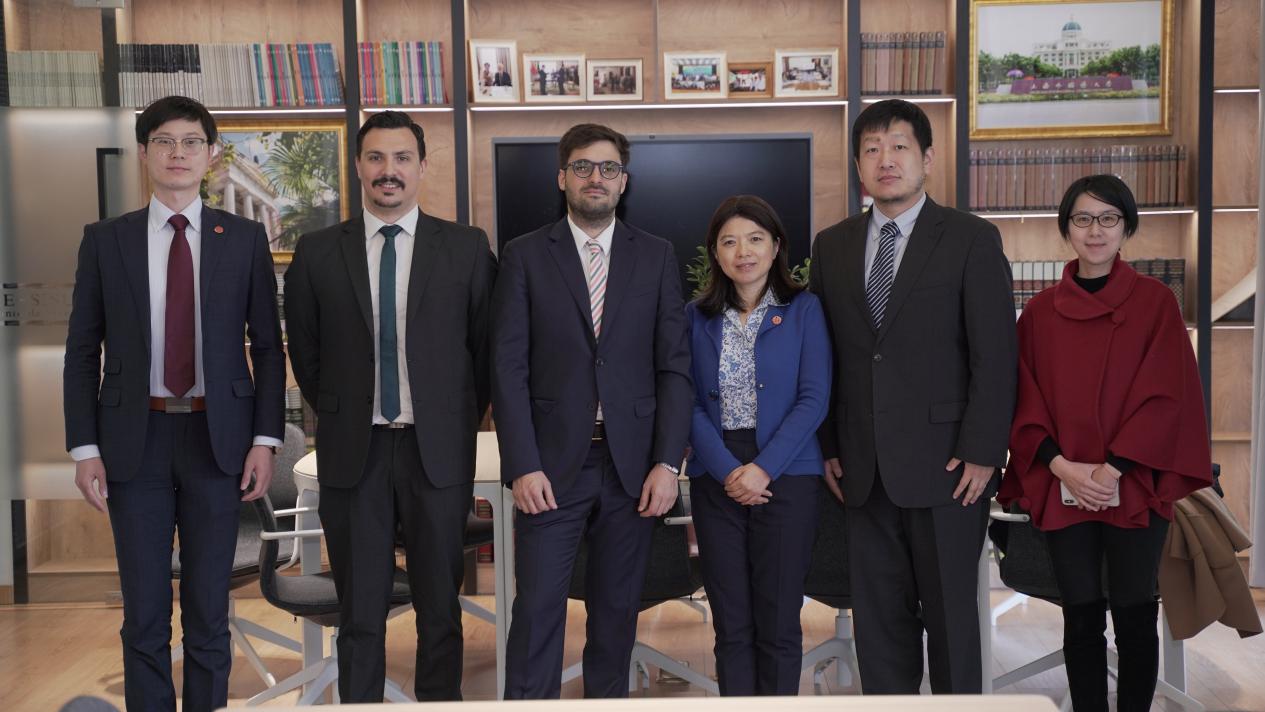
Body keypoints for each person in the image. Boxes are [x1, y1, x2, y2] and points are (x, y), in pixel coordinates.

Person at [63, 95, 285, 711]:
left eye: (191, 142)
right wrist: (84, 448)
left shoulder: (243, 239)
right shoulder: (105, 240)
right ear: (144, 153)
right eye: (164, 141)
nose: (178, 153)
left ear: (210, 155)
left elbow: (268, 348)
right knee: (144, 613)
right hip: (135, 443)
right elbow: (81, 351)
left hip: (220, 439)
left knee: (209, 611)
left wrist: (265, 439)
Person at [284, 110, 496, 702]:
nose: (389, 170)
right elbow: (306, 352)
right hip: (355, 452)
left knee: (440, 607)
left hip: (437, 453)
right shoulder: (318, 252)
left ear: (422, 167)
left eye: (402, 158)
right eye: (376, 157)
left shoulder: (467, 248)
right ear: (358, 166)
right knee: (360, 612)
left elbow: (484, 353)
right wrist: (347, 412)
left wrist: (453, 418)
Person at [810, 98, 1017, 694]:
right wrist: (829, 443)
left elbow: (996, 355)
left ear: (926, 158)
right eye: (871, 149)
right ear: (858, 165)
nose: (886, 160)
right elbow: (826, 356)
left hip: (950, 466)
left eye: (899, 146)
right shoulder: (832, 245)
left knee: (953, 622)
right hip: (863, 466)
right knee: (879, 627)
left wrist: (984, 451)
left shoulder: (971, 238)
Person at [492, 122, 692, 699]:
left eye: (608, 168)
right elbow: (508, 369)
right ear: (563, 178)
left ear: (623, 181)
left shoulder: (655, 255)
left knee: (616, 616)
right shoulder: (525, 255)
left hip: (633, 470)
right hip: (551, 469)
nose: (595, 177)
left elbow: (674, 368)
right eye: (582, 167)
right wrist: (522, 465)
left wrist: (667, 464)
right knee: (537, 614)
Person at [999, 174, 1212, 712]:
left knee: (1136, 612)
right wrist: (1063, 467)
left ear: (1126, 227)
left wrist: (1113, 468)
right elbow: (1023, 398)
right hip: (1063, 480)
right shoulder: (1039, 312)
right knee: (1080, 614)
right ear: (1067, 228)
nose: (1095, 231)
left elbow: (1168, 395)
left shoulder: (1157, 302)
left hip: (1134, 478)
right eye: (1083, 219)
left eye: (1108, 218)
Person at [685, 195, 831, 695]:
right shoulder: (695, 317)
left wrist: (763, 469)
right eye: (729, 242)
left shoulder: (805, 309)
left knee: (778, 621)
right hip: (717, 474)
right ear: (715, 252)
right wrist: (729, 471)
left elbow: (814, 398)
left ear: (776, 246)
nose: (743, 252)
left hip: (787, 473)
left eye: (755, 239)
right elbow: (686, 400)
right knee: (731, 625)